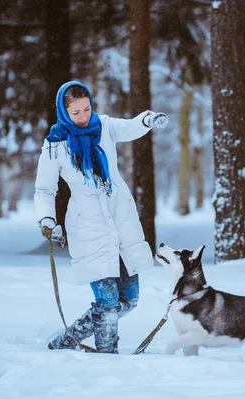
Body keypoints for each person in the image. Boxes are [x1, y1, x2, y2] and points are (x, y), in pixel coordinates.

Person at [34, 80, 168, 354]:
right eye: (76, 113)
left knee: (129, 299)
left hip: (121, 220)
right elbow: (44, 189)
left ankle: (68, 339)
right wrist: (46, 219)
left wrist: (149, 119)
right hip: (88, 226)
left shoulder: (104, 126)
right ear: (63, 112)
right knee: (107, 300)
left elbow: (130, 126)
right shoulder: (55, 145)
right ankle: (108, 357)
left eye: (87, 109)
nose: (84, 117)